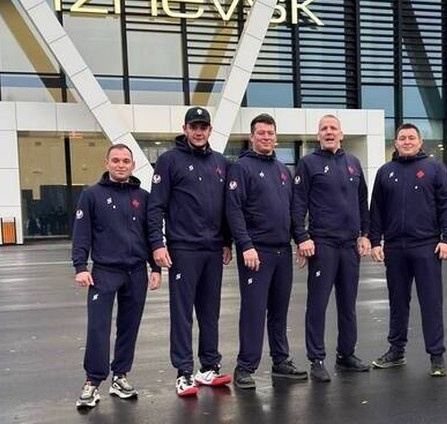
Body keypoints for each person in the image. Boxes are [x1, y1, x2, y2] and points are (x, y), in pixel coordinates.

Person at [147, 107, 233, 397]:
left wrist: (227, 242)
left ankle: (208, 368)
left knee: (210, 312)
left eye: (203, 127)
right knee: (182, 313)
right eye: (194, 127)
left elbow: (227, 208)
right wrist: (157, 245)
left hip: (213, 249)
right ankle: (183, 372)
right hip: (183, 248)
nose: (199, 132)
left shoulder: (221, 163)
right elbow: (155, 206)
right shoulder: (169, 161)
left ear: (210, 130)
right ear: (185, 129)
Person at [71, 144, 161, 410]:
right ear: (106, 163)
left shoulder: (143, 197)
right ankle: (92, 382)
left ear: (133, 165)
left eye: (125, 161)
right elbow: (81, 234)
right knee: (98, 328)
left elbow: (150, 235)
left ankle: (120, 376)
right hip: (104, 273)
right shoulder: (91, 195)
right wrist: (80, 267)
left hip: (136, 273)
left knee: (129, 327)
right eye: (116, 160)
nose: (121, 165)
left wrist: (155, 269)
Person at [226, 113, 307, 389]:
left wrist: (300, 241)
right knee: (253, 309)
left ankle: (280, 361)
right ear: (252, 137)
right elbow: (233, 210)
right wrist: (245, 245)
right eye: (261, 133)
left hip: (282, 251)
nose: (266, 137)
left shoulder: (284, 170)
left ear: (276, 136)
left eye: (270, 133)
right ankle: (245, 366)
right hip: (256, 252)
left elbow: (293, 211)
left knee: (279, 310)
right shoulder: (241, 168)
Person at [369, 123, 447, 376]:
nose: (406, 141)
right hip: (395, 248)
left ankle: (436, 355)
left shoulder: (434, 169)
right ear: (395, 143)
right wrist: (376, 241)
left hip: (426, 246)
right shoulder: (386, 172)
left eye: (411, 138)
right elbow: (376, 210)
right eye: (402, 138)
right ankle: (396, 350)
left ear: (420, 142)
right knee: (398, 302)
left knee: (431, 301)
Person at [292, 115, 372, 382]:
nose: (329, 132)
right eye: (324, 129)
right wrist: (302, 237)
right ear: (318, 136)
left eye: (333, 128)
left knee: (348, 303)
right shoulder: (308, 164)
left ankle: (346, 354)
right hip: (322, 244)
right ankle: (316, 358)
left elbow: (362, 202)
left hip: (350, 245)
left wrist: (365, 235)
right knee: (318, 304)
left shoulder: (353, 164)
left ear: (341, 134)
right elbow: (298, 203)